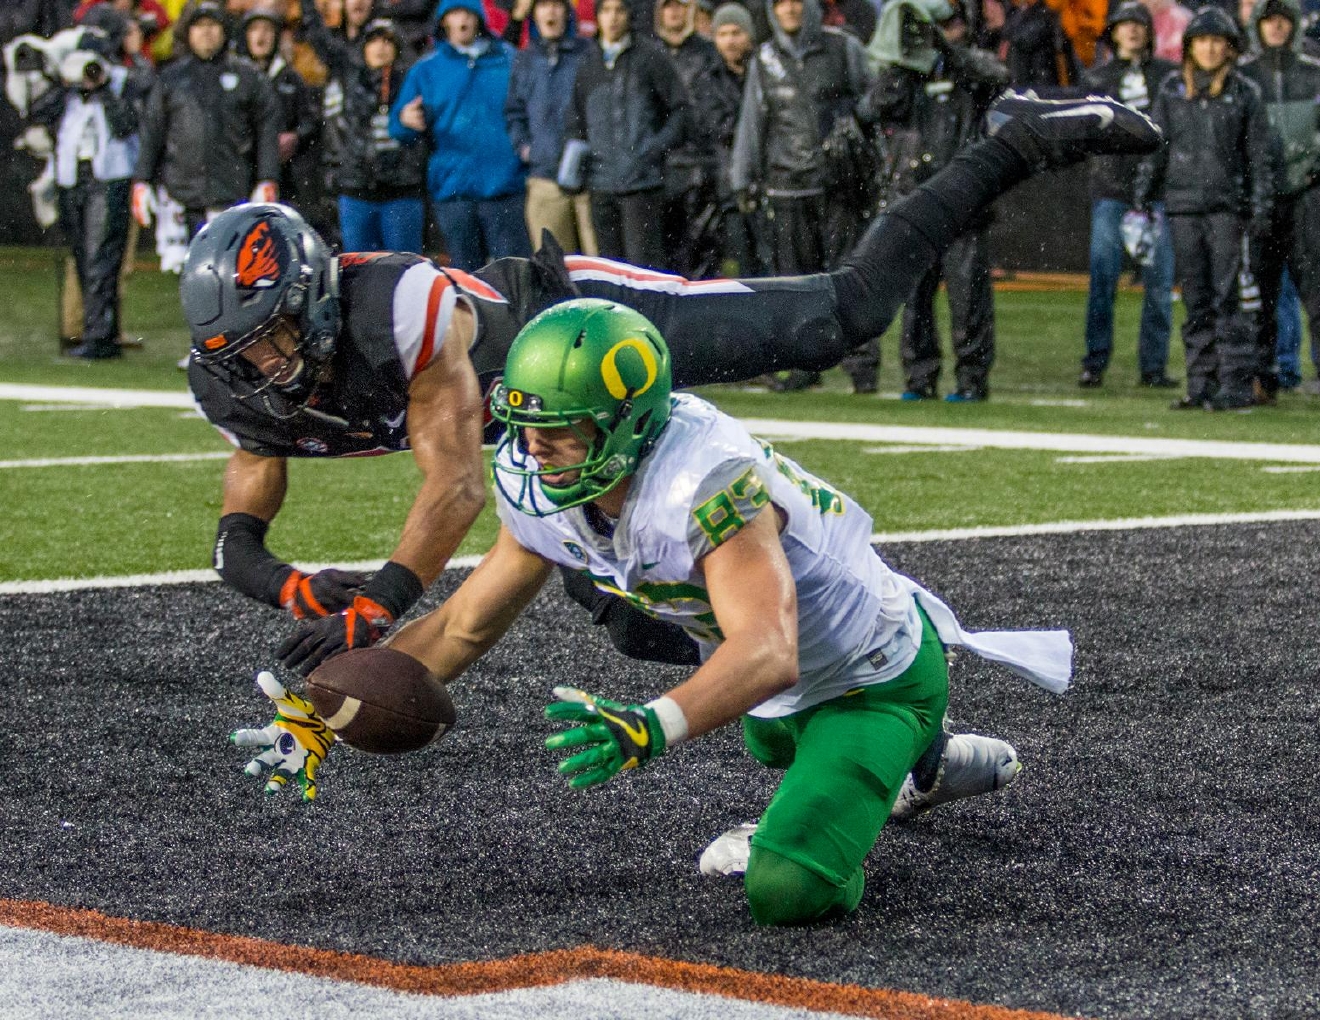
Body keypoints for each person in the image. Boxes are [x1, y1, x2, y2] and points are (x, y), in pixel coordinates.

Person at [179, 89, 1159, 677]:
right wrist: (278, 578)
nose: (259, 367)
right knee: (640, 627)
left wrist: (385, 595)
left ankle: (1021, 140)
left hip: (589, 333)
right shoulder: (235, 375)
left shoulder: (393, 307)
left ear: (310, 301)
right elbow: (249, 491)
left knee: (840, 316)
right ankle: (863, 715)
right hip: (544, 434)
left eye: (269, 340)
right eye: (241, 353)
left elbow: (454, 479)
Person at [238, 297, 1073, 929]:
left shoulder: (709, 481)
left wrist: (649, 728)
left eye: (562, 432)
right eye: (527, 429)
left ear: (629, 422)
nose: (535, 451)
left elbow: (769, 651)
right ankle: (911, 768)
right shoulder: (541, 472)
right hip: (787, 688)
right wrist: (324, 716)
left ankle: (901, 750)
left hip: (868, 676)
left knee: (787, 891)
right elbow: (464, 623)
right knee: (770, 731)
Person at [863, 0, 1009, 401]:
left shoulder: (972, 69)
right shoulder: (906, 72)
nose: (945, 29)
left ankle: (972, 380)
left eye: (951, 22)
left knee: (969, 299)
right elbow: (872, 108)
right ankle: (919, 378)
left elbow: (998, 76)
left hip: (963, 199)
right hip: (915, 198)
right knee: (915, 301)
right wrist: (905, 64)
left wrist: (946, 51)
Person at [1134, 4, 1273, 410]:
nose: (1210, 50)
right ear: (1190, 46)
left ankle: (1235, 385)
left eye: (1217, 42)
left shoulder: (1246, 93)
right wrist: (1143, 194)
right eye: (1203, 41)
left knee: (1229, 297)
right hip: (1182, 207)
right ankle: (1200, 385)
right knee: (1196, 298)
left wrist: (1260, 207)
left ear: (1230, 48)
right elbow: (1155, 146)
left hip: (1227, 209)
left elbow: (1258, 155)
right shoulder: (1172, 91)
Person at [729, 0, 873, 391]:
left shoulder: (844, 48)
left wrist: (856, 139)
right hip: (787, 183)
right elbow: (753, 122)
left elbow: (872, 103)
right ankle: (806, 363)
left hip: (839, 183)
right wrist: (743, 177)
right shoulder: (765, 58)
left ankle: (862, 367)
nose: (789, 8)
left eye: (796, 1)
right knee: (796, 284)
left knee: (849, 278)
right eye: (780, 2)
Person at [29, 8, 148, 359]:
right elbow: (38, 111)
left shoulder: (123, 81)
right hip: (72, 176)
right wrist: (63, 82)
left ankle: (100, 337)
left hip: (109, 176)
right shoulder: (68, 89)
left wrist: (103, 88)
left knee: (103, 257)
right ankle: (96, 331)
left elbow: (128, 125)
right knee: (82, 255)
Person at [1077, 0, 1177, 389]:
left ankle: (1152, 367)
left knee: (1159, 283)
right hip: (1112, 190)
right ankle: (1094, 361)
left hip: (1154, 193)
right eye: (1125, 25)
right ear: (1113, 32)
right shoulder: (1097, 80)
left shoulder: (1167, 77)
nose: (1133, 31)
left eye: (1139, 25)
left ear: (1149, 33)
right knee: (1103, 280)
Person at [389, 0, 531, 270]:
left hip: (505, 188)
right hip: (453, 192)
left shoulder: (510, 60)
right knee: (465, 279)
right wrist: (404, 120)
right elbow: (398, 128)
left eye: (468, 13)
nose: (462, 21)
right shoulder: (426, 70)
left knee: (514, 276)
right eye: (454, 15)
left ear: (479, 19)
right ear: (443, 22)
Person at [131, 0, 280, 239]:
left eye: (212, 25)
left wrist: (267, 178)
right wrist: (142, 180)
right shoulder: (171, 78)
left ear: (224, 31)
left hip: (233, 195)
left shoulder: (248, 77)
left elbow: (266, 130)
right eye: (199, 26)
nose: (206, 32)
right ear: (188, 32)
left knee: (231, 272)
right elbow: (153, 130)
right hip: (180, 197)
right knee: (186, 271)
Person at [563, 0, 688, 269]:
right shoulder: (588, 63)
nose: (613, 18)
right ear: (597, 17)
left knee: (645, 273)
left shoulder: (650, 57)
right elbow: (575, 121)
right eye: (606, 11)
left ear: (629, 15)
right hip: (601, 187)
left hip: (642, 186)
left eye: (619, 10)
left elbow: (681, 111)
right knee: (610, 273)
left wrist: (652, 151)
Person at [1238, 0, 1320, 404]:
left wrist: (1313, 171)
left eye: (1282, 20)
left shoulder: (1314, 74)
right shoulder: (1243, 77)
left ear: (1294, 25)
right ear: (1258, 25)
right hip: (1261, 199)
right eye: (1268, 20)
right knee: (1261, 294)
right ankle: (1262, 376)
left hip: (1307, 195)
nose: (1276, 28)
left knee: (1316, 291)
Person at [304, 10, 427, 253]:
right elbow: (320, 39)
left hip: (402, 191)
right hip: (356, 191)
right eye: (373, 40)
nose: (380, 47)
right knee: (360, 271)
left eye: (388, 41)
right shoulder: (348, 74)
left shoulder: (414, 81)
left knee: (405, 270)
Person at [503, 0, 597, 256]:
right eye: (543, 5)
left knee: (602, 268)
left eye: (557, 5)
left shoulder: (588, 53)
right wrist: (525, 149)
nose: (551, 12)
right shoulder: (525, 59)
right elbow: (514, 111)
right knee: (554, 269)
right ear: (534, 14)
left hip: (592, 179)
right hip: (544, 178)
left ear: (568, 13)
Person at [690, 2, 767, 276]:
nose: (730, 40)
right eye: (723, 34)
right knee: (746, 268)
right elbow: (719, 128)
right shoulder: (707, 79)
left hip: (770, 184)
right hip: (730, 189)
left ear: (749, 35)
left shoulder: (767, 71)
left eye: (736, 32)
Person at [654, 0, 721, 276]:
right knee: (668, 251)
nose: (674, 12)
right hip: (662, 164)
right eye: (668, 6)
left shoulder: (708, 52)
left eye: (680, 5)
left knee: (704, 249)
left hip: (702, 162)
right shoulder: (649, 53)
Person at [238, 7, 319, 209]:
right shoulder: (235, 78)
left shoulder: (291, 77)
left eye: (267, 29)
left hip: (286, 176)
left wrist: (296, 136)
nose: (261, 36)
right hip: (241, 173)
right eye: (254, 29)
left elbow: (311, 120)